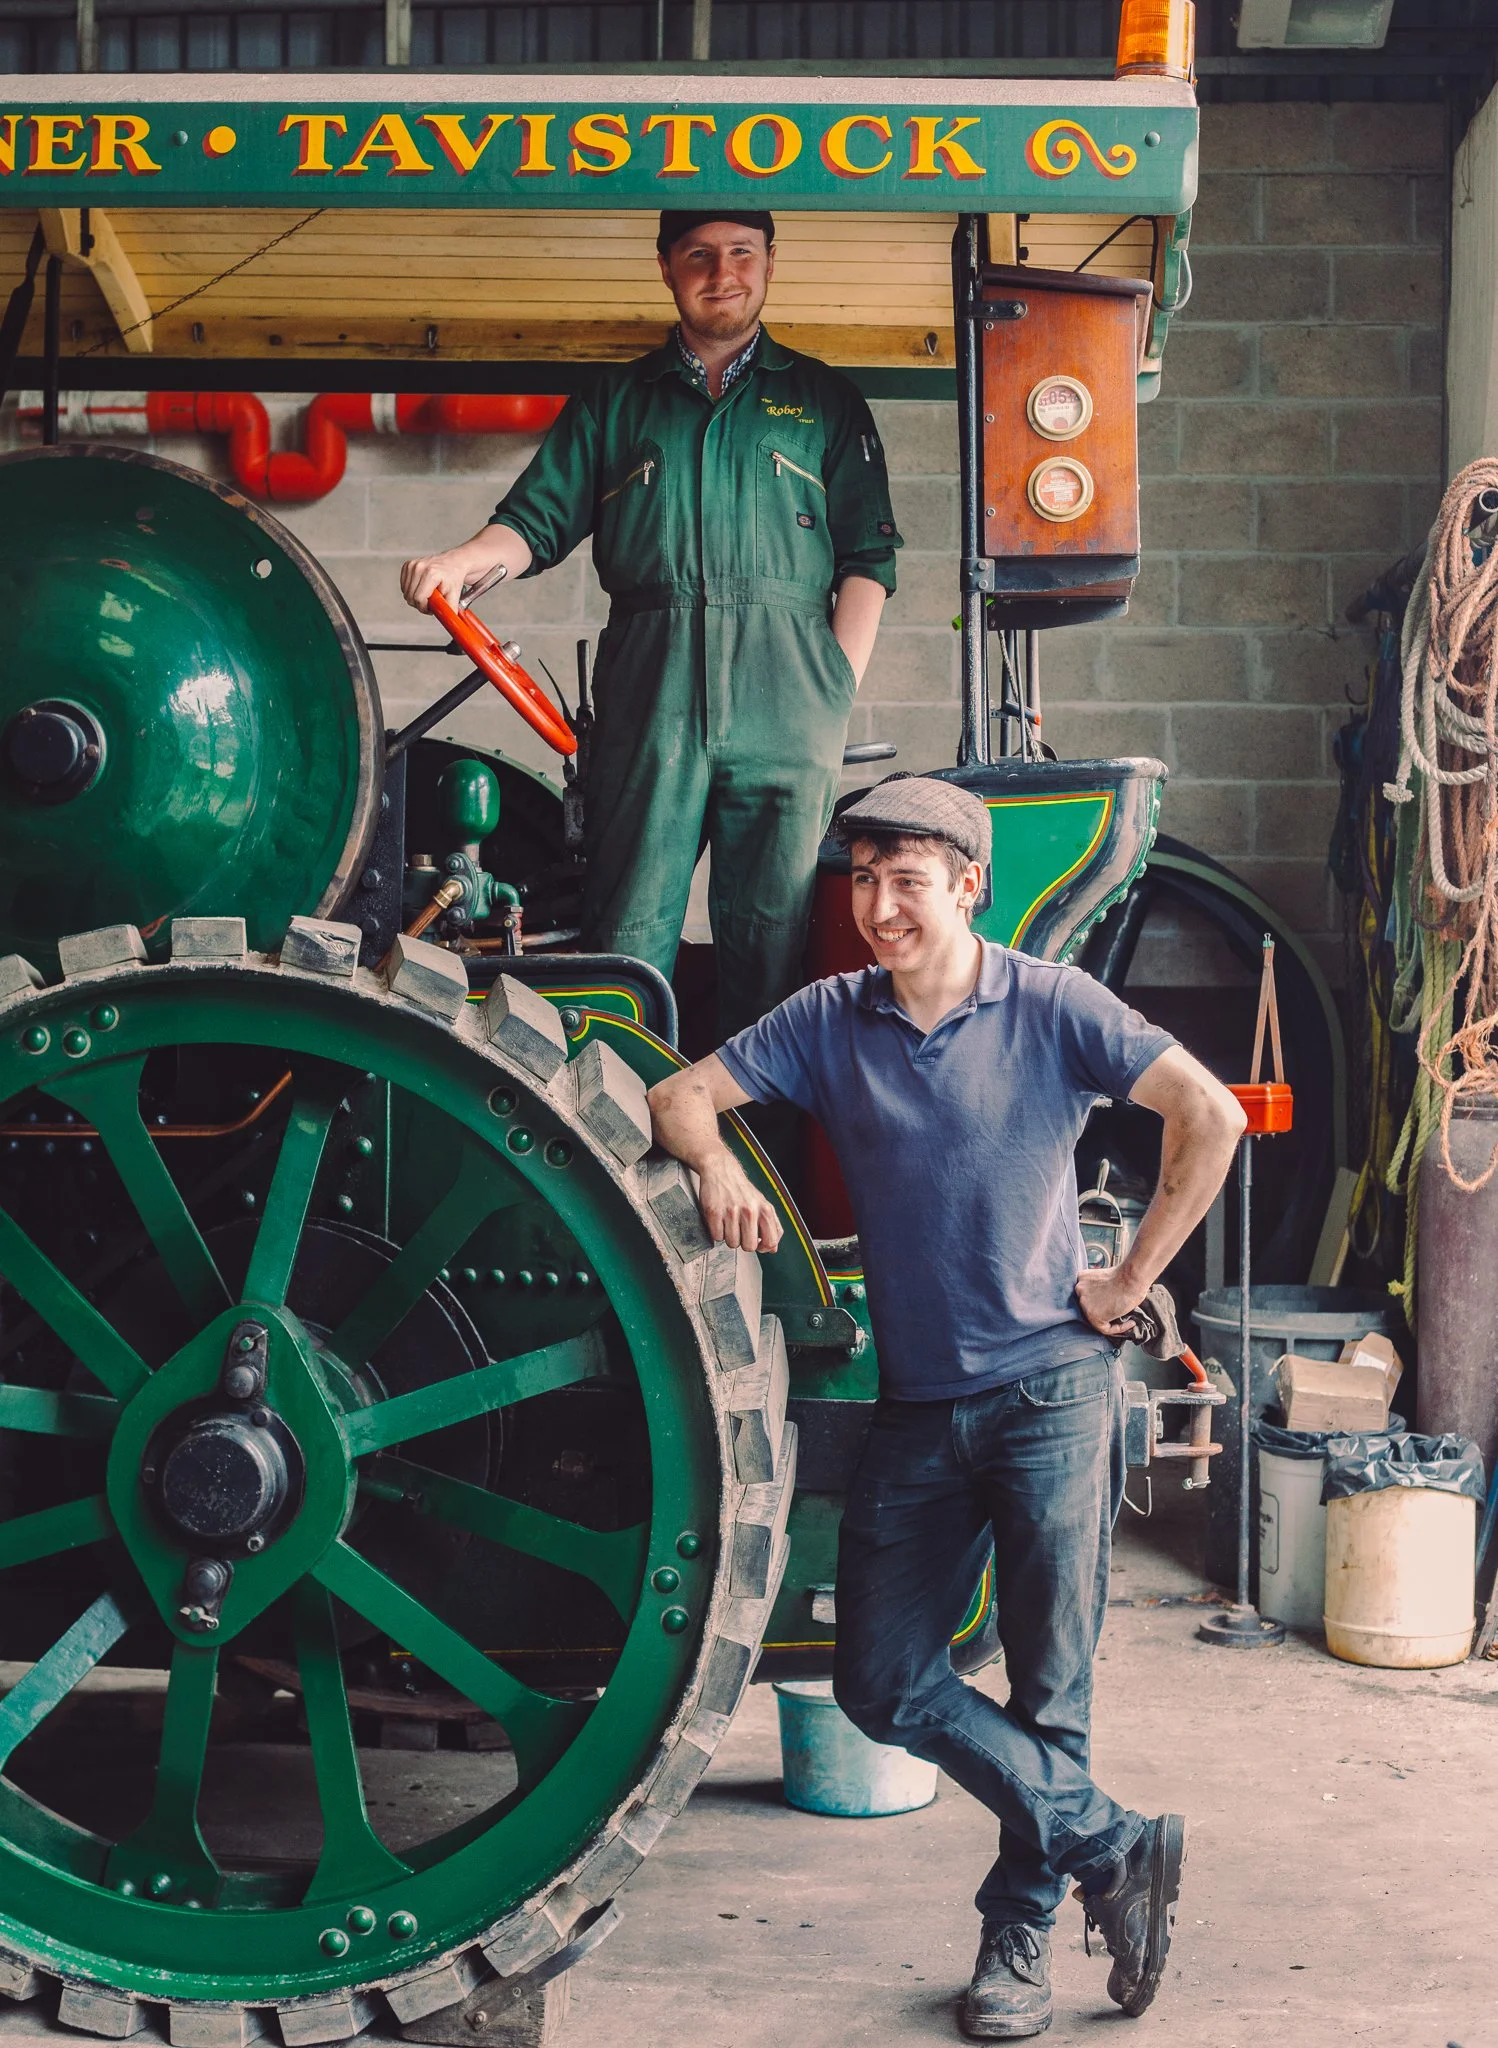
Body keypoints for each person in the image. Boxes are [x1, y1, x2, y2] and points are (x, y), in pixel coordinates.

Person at [645, 774, 1247, 2040]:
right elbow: (678, 1094)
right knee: (877, 1676)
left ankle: (1015, 1945)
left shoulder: (1049, 1005)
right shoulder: (829, 1016)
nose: (877, 906)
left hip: (1050, 1394)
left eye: (906, 879)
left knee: (1049, 1688)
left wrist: (1132, 1274)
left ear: (969, 885)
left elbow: (1211, 1112)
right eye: (861, 878)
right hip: (917, 1405)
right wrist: (712, 1167)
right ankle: (1112, 1841)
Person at [400, 209, 901, 1036]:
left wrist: (831, 693)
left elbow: (869, 563)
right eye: (699, 255)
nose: (722, 272)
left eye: (741, 253)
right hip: (649, 694)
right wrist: (461, 562)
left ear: (770, 262)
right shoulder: (614, 402)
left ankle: (752, 1150)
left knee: (771, 942)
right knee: (625, 935)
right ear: (667, 267)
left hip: (790, 702)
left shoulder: (824, 401)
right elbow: (533, 525)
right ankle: (619, 1138)